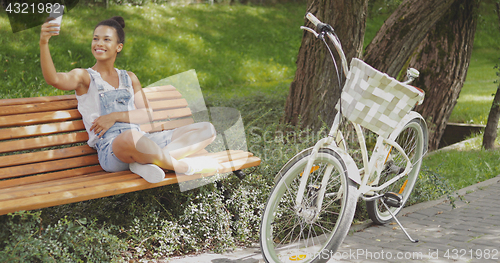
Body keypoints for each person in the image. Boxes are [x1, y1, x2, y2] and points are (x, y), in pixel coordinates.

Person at [39, 16, 220, 183]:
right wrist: (44, 42)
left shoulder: (129, 78)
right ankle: (182, 167)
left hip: (142, 141)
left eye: (106, 39)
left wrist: (115, 116)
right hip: (112, 150)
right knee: (130, 137)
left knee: (207, 129)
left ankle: (146, 163)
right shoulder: (84, 77)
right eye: (95, 38)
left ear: (119, 46)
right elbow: (53, 79)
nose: (99, 43)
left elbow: (147, 115)